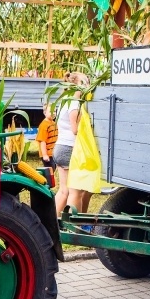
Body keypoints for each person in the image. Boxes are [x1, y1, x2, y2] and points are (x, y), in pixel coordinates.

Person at [53, 71, 91, 215]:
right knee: (76, 192)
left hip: (60, 147)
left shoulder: (65, 101)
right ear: (77, 85)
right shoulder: (75, 103)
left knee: (64, 191)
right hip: (69, 148)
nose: (87, 85)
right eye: (84, 82)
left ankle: (51, 226)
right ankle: (75, 228)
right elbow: (75, 129)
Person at [36, 103, 58, 187]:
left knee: (52, 170)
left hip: (53, 153)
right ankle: (46, 184)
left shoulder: (53, 123)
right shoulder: (44, 125)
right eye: (51, 111)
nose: (53, 113)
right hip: (48, 154)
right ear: (45, 112)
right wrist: (45, 155)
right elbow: (42, 141)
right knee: (49, 171)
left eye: (55, 111)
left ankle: (48, 184)